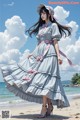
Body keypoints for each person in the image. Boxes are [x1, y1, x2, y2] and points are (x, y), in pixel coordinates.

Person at [0, 4, 72, 118]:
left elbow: (55, 42)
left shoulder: (53, 26)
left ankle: (44, 108)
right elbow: (39, 44)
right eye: (41, 13)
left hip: (50, 54)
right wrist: (32, 53)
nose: (42, 15)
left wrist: (59, 56)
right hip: (39, 55)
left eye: (44, 13)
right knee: (40, 80)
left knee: (45, 80)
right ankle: (49, 104)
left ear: (49, 14)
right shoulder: (42, 27)